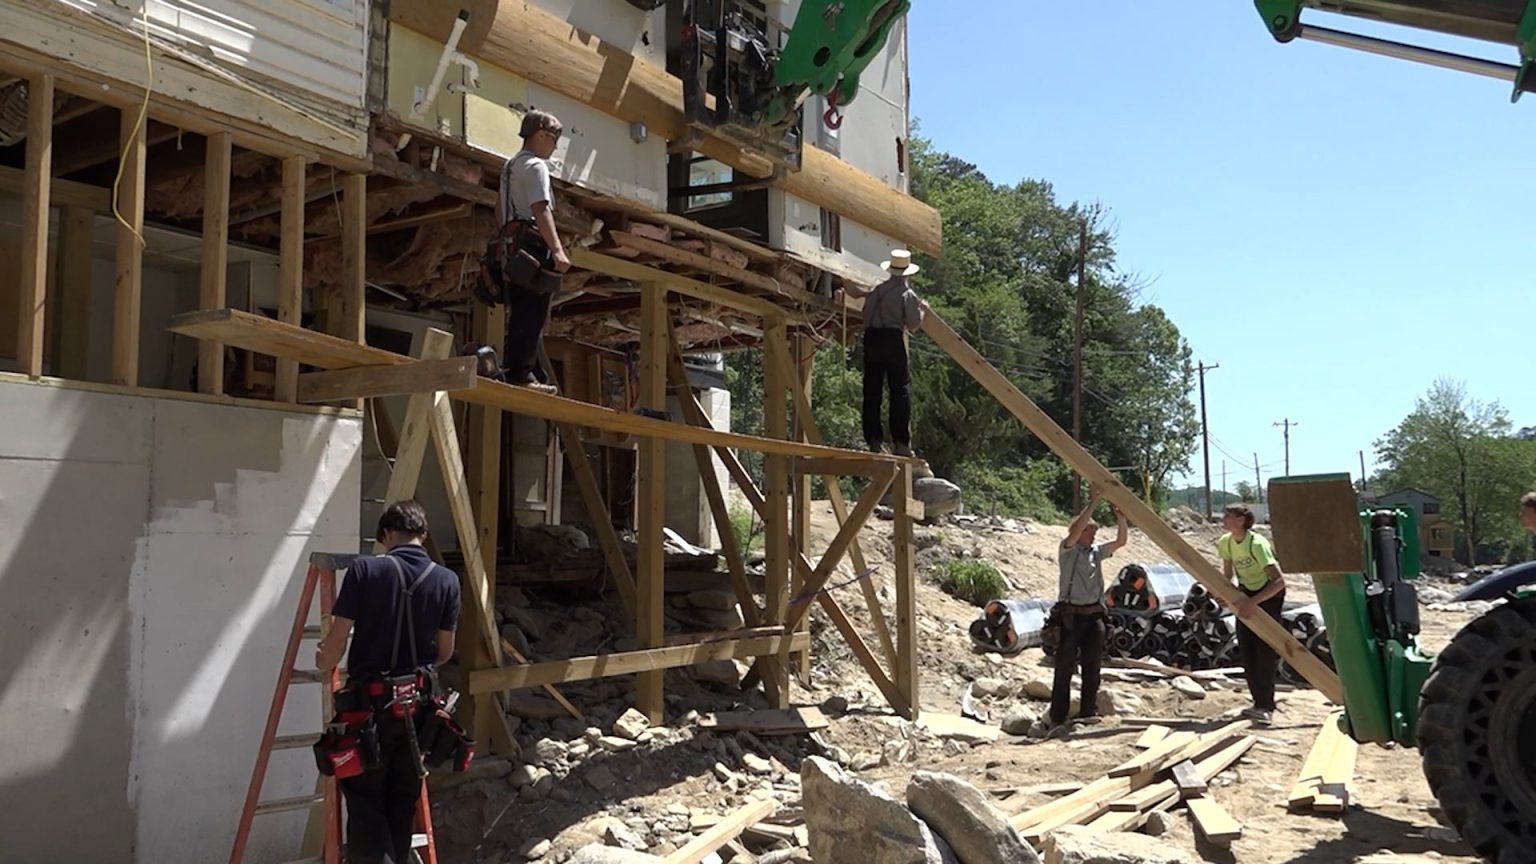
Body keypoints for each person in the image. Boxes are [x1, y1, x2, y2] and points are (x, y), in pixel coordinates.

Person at [315, 500, 462, 864]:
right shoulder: (447, 580)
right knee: (402, 800)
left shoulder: (365, 571)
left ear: (385, 536)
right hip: (419, 711)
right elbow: (444, 652)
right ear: (423, 535)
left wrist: (324, 662)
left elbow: (338, 638)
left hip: (369, 709)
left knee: (365, 803)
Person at [497, 108, 570, 394]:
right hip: (532, 244)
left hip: (513, 242)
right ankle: (520, 373)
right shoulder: (537, 166)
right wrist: (558, 249)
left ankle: (517, 369)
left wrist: (505, 235)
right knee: (533, 309)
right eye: (554, 138)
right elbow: (541, 208)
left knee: (521, 309)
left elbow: (498, 206)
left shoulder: (510, 166)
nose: (555, 145)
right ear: (540, 135)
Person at [1044, 484, 1127, 733]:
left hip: (1093, 617)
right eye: (1089, 531)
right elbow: (1076, 528)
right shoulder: (1067, 550)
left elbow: (1121, 541)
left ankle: (1087, 713)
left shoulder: (1095, 553)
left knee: (1093, 667)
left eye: (1093, 531)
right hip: (1070, 618)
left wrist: (1121, 517)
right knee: (1064, 668)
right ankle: (1058, 716)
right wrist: (1093, 502)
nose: (1092, 535)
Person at [844, 249, 928, 456]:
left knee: (872, 391)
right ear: (907, 274)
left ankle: (873, 440)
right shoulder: (907, 294)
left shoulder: (875, 291)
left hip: (872, 338)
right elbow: (914, 324)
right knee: (899, 390)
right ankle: (900, 442)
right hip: (892, 337)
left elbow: (866, 318)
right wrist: (923, 309)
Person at [1217, 503, 1287, 727]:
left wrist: (1252, 602)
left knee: (1264, 651)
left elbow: (1279, 581)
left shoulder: (1256, 544)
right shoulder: (1226, 542)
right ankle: (1258, 703)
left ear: (1241, 520)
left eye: (1229, 516)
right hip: (1248, 594)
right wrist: (1223, 595)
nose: (1224, 519)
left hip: (1269, 595)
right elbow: (1228, 576)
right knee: (1247, 649)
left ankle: (1266, 706)